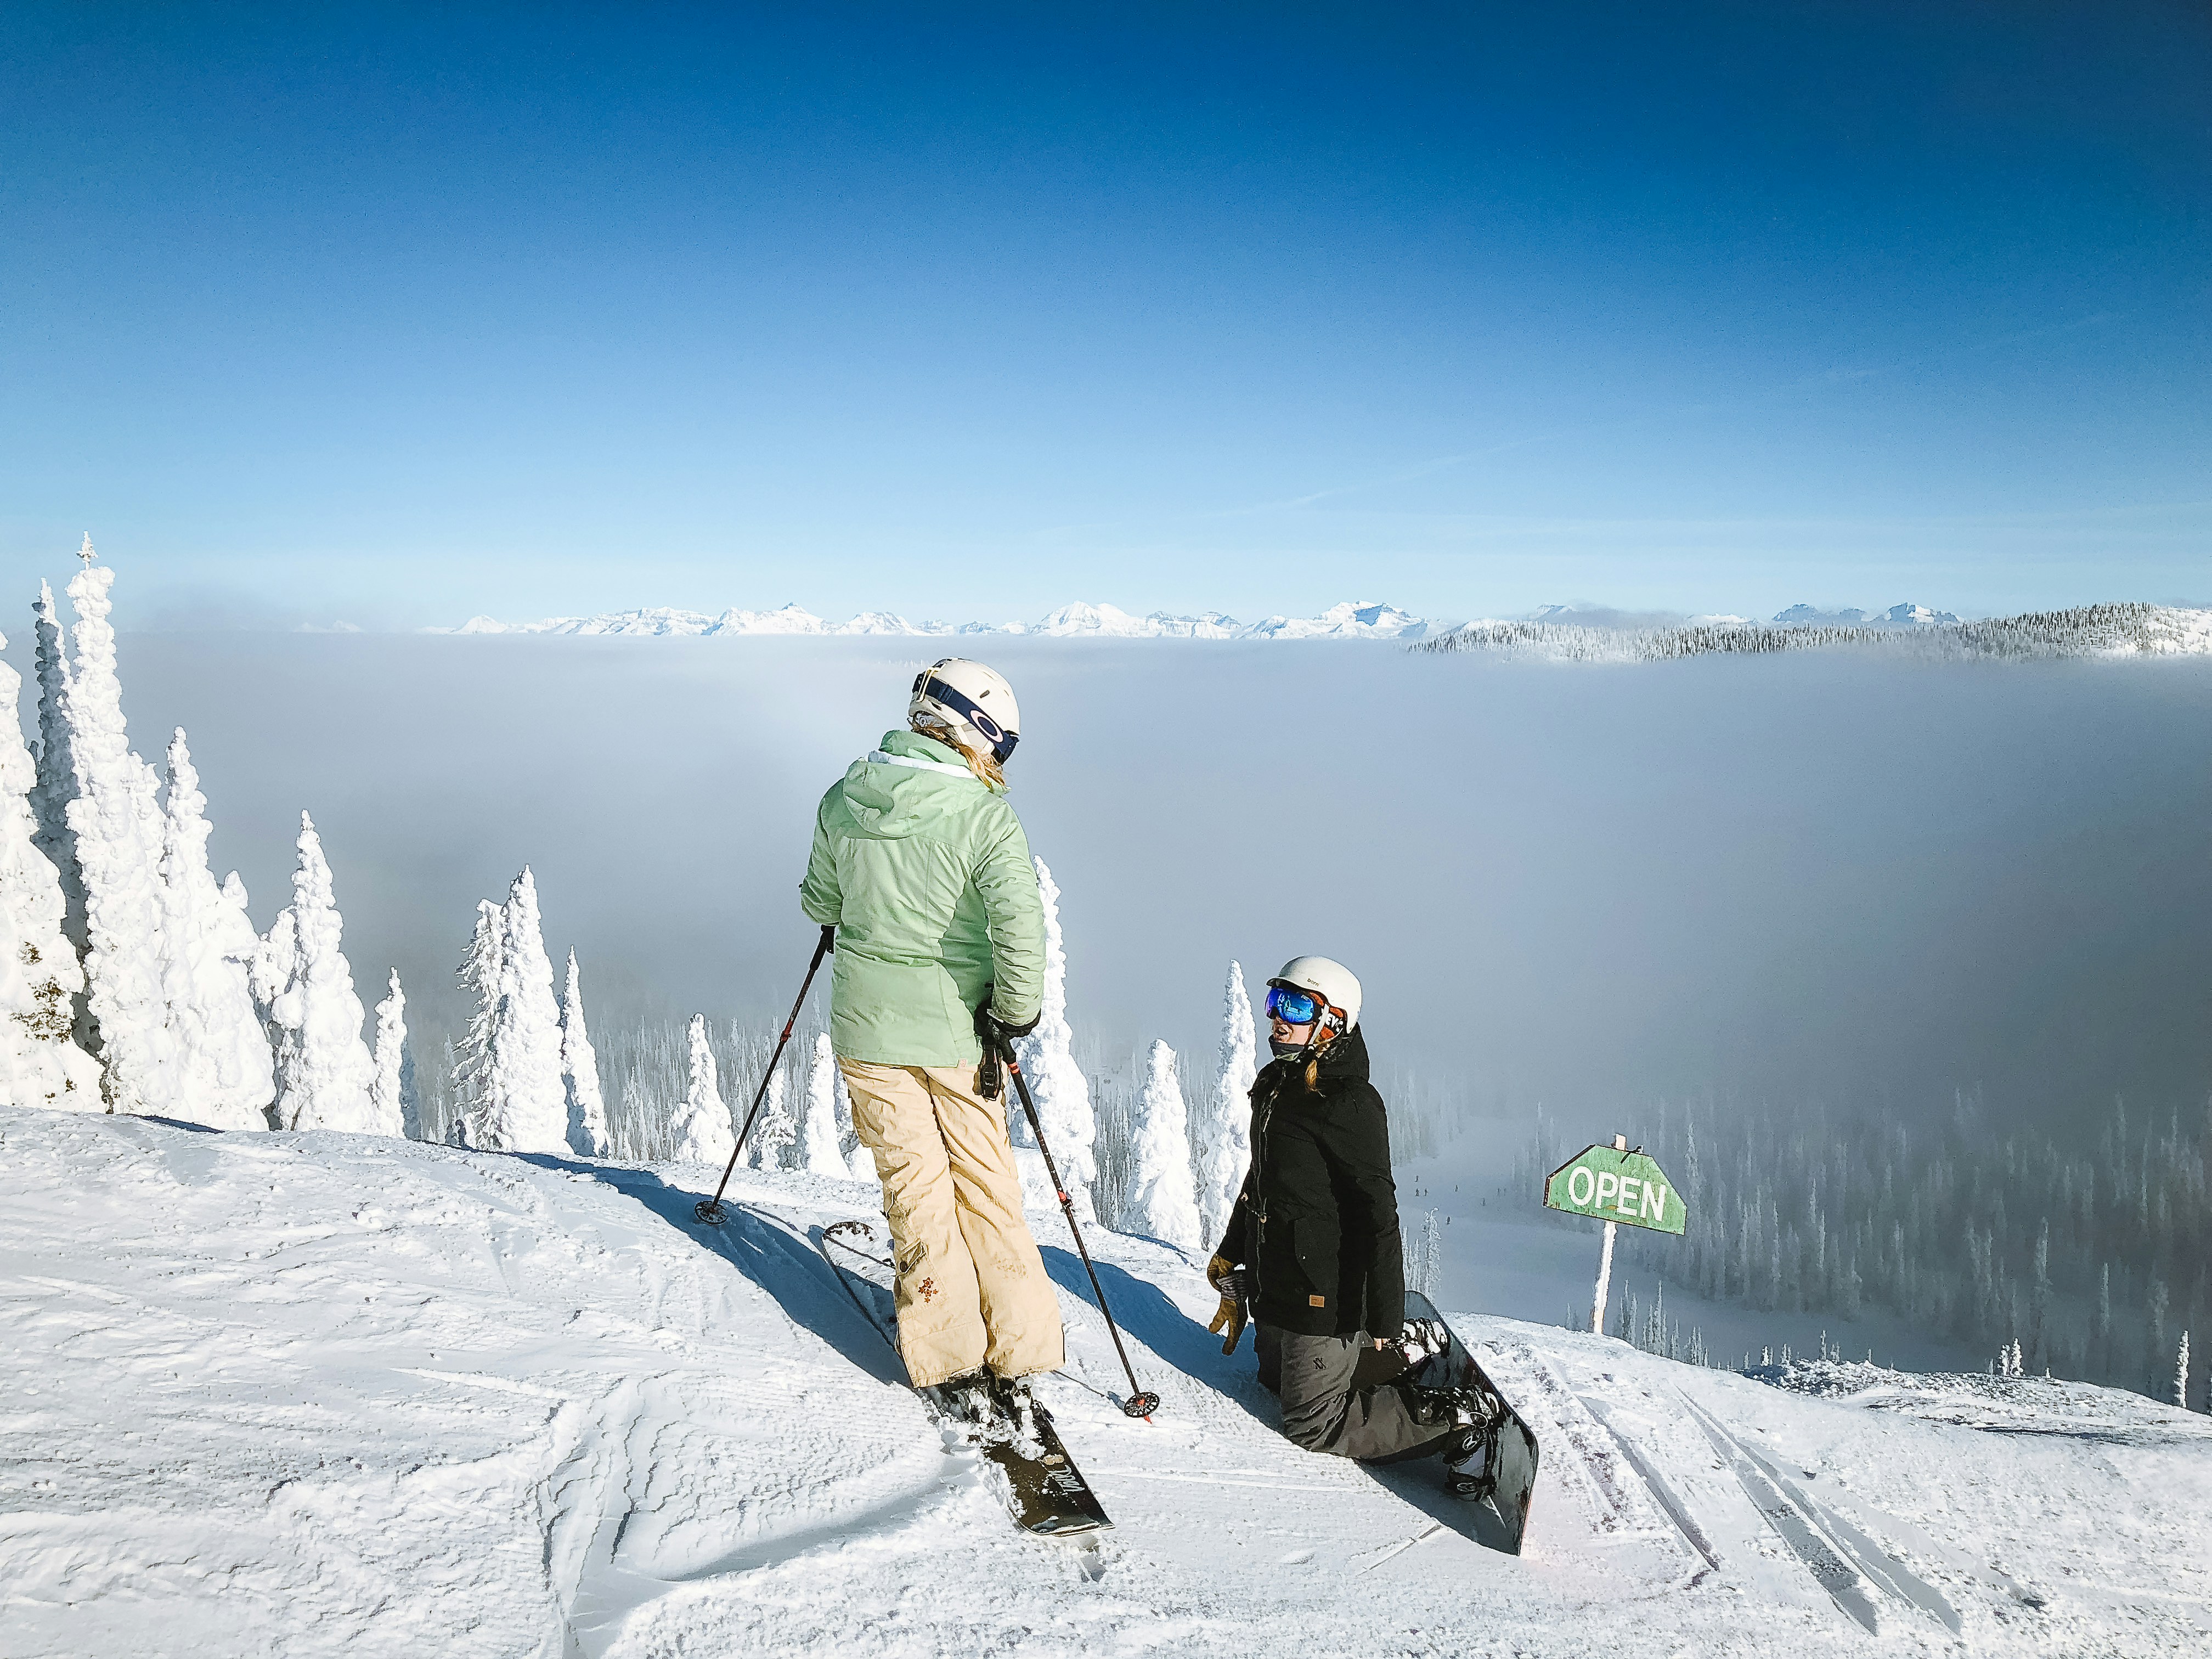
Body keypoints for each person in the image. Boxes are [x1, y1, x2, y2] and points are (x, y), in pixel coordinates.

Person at [799, 658, 1063, 1419]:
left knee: (915, 1187)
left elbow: (820, 899)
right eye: (1001, 745)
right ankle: (1018, 1347)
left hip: (869, 1031)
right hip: (958, 1035)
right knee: (986, 1186)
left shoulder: (844, 796)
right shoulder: (984, 815)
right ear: (971, 730)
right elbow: (1019, 927)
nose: (1000, 761)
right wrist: (1013, 1015)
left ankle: (947, 1356)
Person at [1207, 956, 1494, 1493]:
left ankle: (1458, 1418)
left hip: (1326, 1296)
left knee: (1312, 1422)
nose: (1275, 1017)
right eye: (1273, 1001)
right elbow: (1260, 1182)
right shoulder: (1276, 1084)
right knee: (1272, 1377)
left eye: (1293, 1006)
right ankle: (1378, 1362)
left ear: (1333, 1020)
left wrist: (1383, 1322)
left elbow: (1379, 1218)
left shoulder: (1351, 1104)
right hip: (1281, 1284)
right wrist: (1231, 1256)